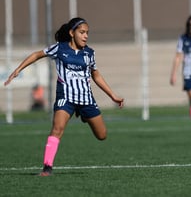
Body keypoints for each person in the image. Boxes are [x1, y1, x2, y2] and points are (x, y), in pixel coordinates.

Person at [4, 17, 124, 176]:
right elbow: (37, 54)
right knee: (57, 129)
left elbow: (96, 75)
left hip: (86, 99)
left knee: (102, 135)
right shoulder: (59, 49)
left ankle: (83, 114)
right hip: (65, 99)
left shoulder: (89, 53)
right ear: (71, 33)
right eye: (82, 32)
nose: (85, 36)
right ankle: (47, 167)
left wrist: (112, 95)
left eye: (87, 33)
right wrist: (18, 69)